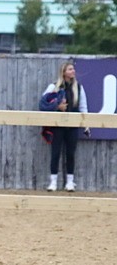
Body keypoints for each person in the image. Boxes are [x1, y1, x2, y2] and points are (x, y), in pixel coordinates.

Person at [43, 60, 89, 192]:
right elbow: (43, 103)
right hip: (57, 125)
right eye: (70, 69)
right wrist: (57, 106)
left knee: (70, 153)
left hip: (73, 125)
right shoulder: (54, 87)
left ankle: (70, 182)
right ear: (63, 72)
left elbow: (83, 107)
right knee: (55, 153)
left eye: (73, 69)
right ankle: (53, 182)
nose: (73, 71)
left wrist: (86, 125)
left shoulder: (79, 88)